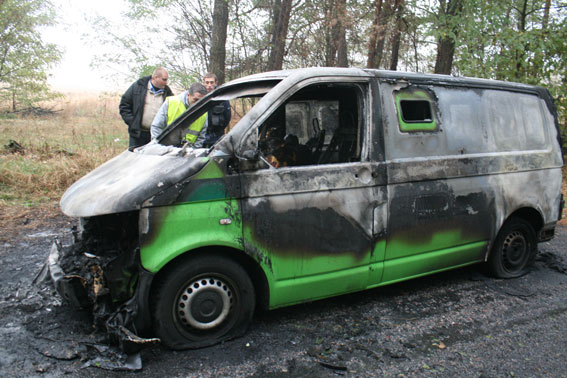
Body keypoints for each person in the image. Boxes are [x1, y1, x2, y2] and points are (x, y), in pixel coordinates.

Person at [119, 67, 173, 148]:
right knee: (136, 159)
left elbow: (172, 110)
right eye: (164, 79)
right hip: (138, 135)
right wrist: (133, 123)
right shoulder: (138, 87)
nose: (166, 82)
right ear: (155, 77)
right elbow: (124, 105)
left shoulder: (167, 92)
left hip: (157, 136)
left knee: (153, 160)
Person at [150, 82, 209, 147]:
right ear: (188, 95)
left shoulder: (204, 112)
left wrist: (193, 152)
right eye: (195, 100)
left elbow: (201, 137)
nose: (198, 104)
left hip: (187, 152)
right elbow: (156, 126)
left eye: (202, 101)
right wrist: (158, 147)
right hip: (166, 150)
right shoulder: (171, 102)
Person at [202, 72, 231, 147]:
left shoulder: (222, 97)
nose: (209, 85)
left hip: (217, 136)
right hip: (202, 136)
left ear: (216, 83)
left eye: (211, 82)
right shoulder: (199, 97)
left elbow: (227, 117)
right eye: (207, 82)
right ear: (203, 83)